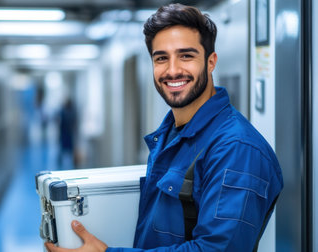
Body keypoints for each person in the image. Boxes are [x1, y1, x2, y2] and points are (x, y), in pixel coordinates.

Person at [45, 3, 283, 252]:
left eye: (186, 56)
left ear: (211, 62)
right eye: (161, 58)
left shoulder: (237, 149)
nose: (172, 70)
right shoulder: (171, 135)